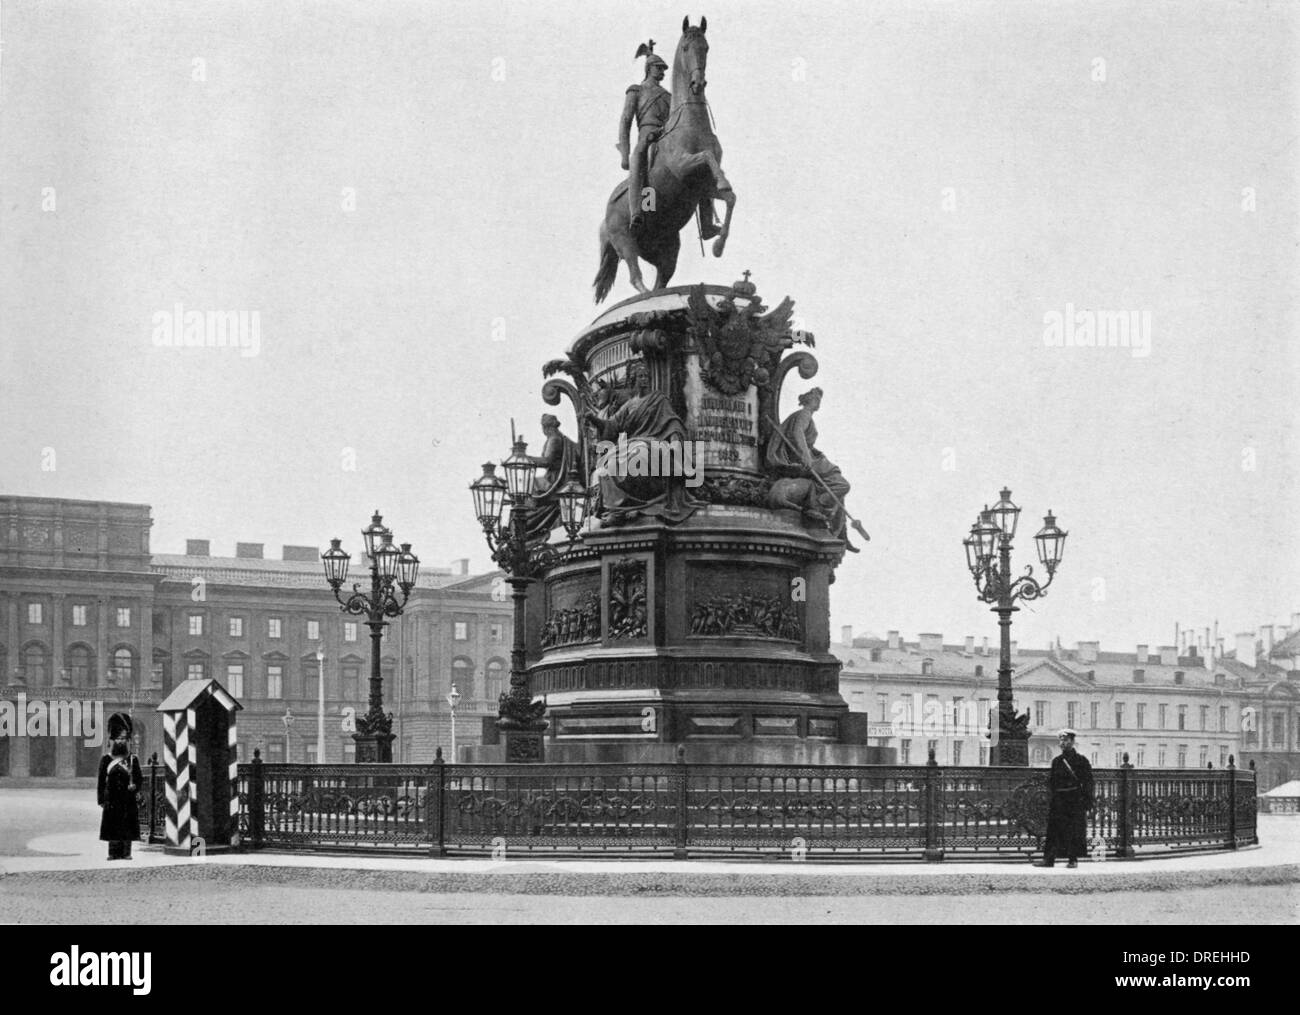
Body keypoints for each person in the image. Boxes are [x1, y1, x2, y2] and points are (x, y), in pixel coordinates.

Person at [766, 387, 856, 550]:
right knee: (842, 484)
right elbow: (797, 432)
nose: (819, 403)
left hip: (809, 455)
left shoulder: (804, 415)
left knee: (834, 481)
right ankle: (818, 506)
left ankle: (837, 527)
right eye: (817, 400)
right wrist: (806, 455)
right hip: (806, 458)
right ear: (810, 401)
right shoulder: (804, 414)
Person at [1035, 728, 1094, 868]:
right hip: (1059, 800)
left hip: (1074, 800)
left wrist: (1087, 801)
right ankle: (1049, 860)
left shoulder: (1081, 760)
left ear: (1072, 742)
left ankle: (1073, 860)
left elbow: (1088, 782)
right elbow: (1052, 782)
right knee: (1054, 830)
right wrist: (1052, 799)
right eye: (1061, 740)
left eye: (1066, 740)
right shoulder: (1057, 761)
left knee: (1073, 830)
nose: (1063, 743)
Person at [98, 712, 143, 860]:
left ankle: (126, 853)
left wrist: (134, 786)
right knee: (113, 825)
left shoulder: (132, 760)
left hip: (127, 798)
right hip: (111, 798)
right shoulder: (106, 760)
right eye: (118, 739)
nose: (121, 742)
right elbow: (101, 781)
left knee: (127, 825)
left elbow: (139, 779)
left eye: (124, 739)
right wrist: (101, 799)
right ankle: (112, 853)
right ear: (113, 740)